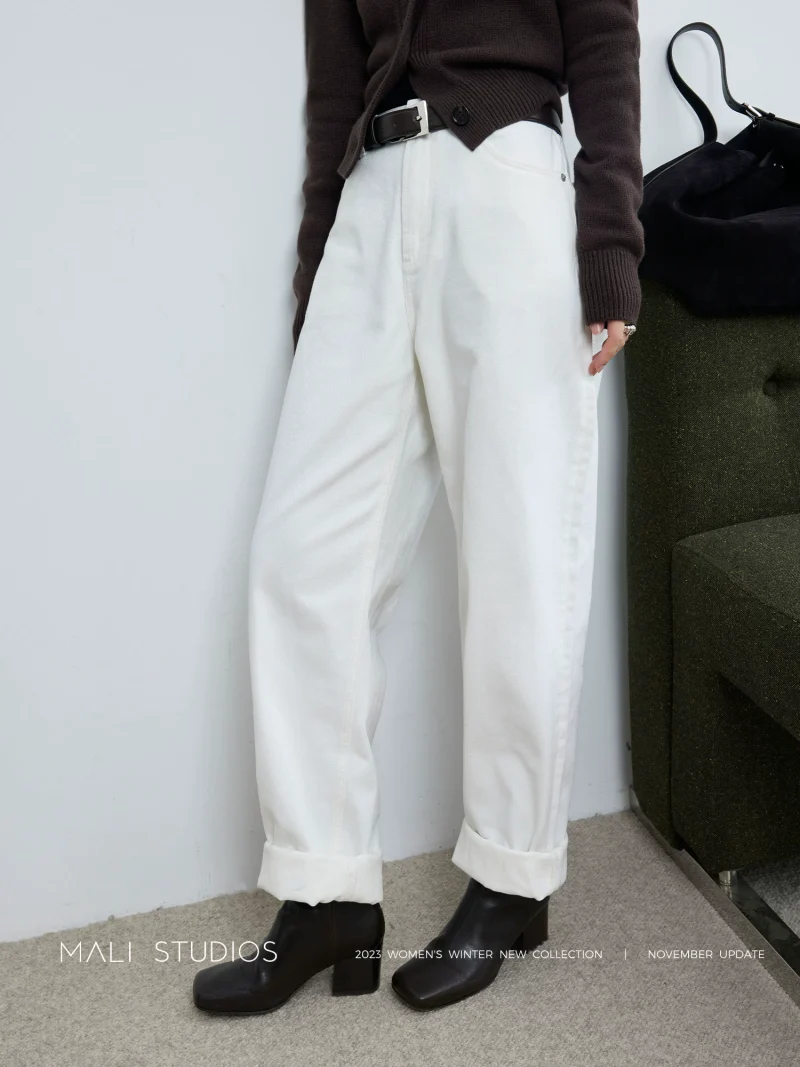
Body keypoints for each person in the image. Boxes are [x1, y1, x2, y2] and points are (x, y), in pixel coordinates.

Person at [193, 0, 643, 1014]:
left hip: (508, 184)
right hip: (372, 194)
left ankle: (512, 876)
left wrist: (611, 240)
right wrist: (319, 269)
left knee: (521, 553)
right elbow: (331, 96)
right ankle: (325, 891)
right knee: (303, 559)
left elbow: (605, 39)